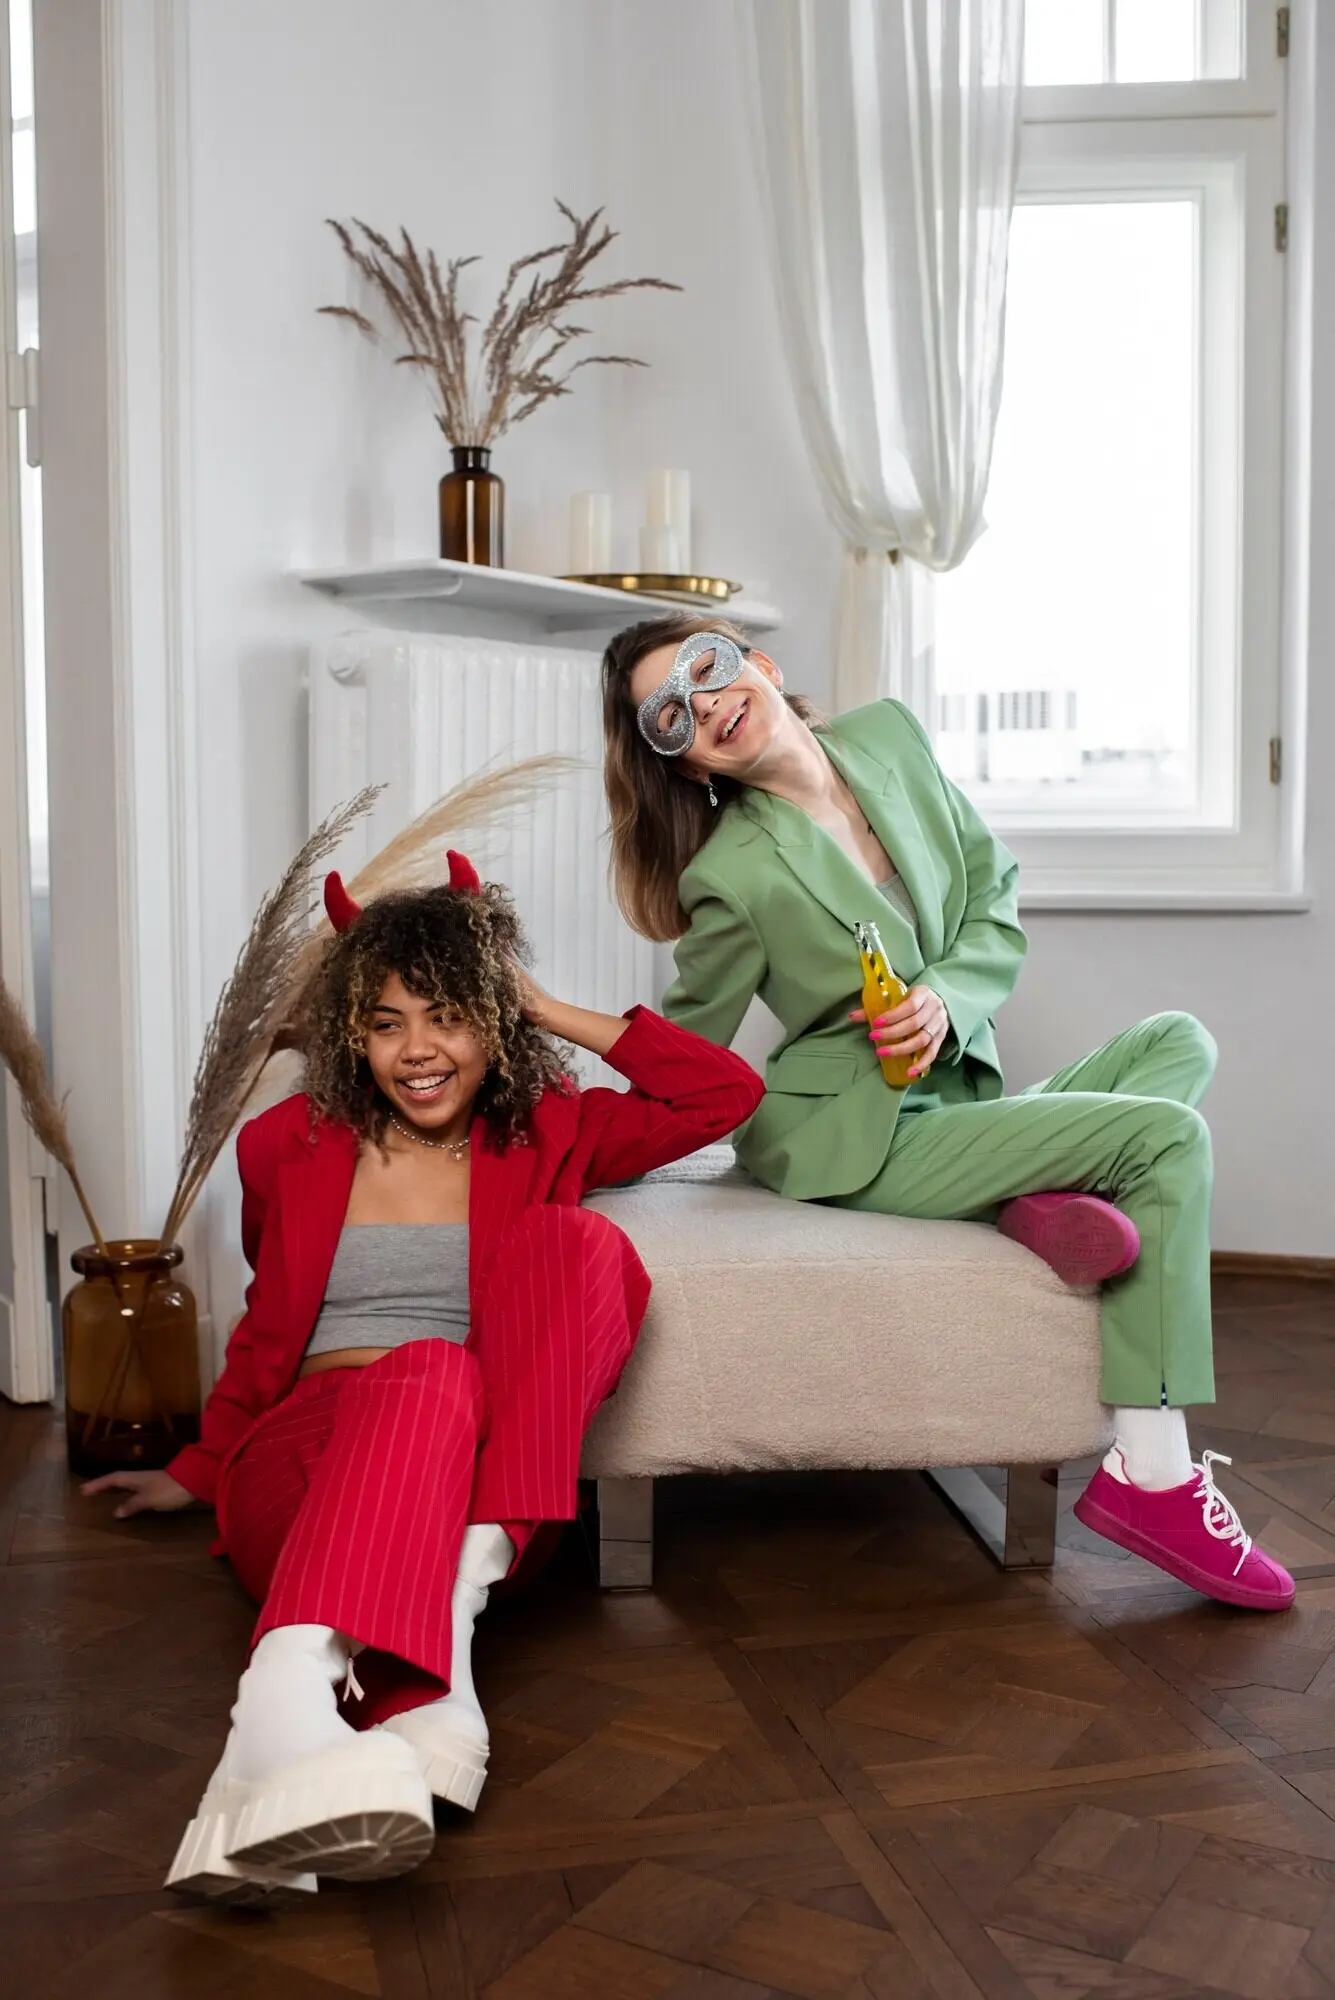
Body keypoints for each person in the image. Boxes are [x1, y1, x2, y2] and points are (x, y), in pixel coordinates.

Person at [84, 852, 763, 1902]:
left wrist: (544, 1006)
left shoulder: (551, 1126)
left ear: (495, 1021)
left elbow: (724, 1092)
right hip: (311, 1463)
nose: (417, 1051)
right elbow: (268, 1326)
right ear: (352, 1034)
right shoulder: (285, 1144)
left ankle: (324, 1699)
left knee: (579, 1250)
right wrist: (202, 1465)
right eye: (387, 1021)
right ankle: (379, 1695)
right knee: (430, 1369)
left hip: (484, 1499)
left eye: (449, 1016)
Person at [601, 613, 1293, 1615]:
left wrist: (946, 998)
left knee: (1178, 1040)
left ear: (761, 662)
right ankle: (1153, 1473)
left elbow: (992, 900)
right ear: (685, 760)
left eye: (707, 669)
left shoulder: (889, 738)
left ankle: (1024, 1201)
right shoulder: (731, 874)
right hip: (862, 1136)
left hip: (959, 1096)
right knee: (1166, 1133)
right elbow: (684, 1054)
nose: (703, 705)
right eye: (670, 716)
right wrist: (568, 1140)